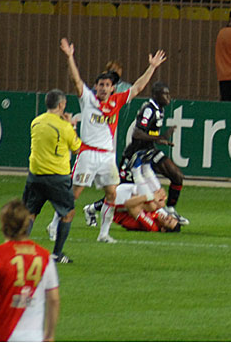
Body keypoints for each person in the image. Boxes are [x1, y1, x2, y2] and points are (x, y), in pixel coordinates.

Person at [58, 37, 167, 244]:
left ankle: (104, 233)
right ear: (95, 87)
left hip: (107, 156)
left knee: (112, 194)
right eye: (100, 85)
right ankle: (55, 225)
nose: (103, 88)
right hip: (88, 153)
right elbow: (76, 80)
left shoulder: (117, 101)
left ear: (112, 88)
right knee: (74, 194)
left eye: (107, 85)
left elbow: (137, 88)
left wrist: (151, 67)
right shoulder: (87, 98)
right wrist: (70, 57)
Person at [83, 82, 189, 227]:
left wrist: (159, 140)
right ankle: (92, 208)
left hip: (149, 151)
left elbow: (149, 132)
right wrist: (159, 138)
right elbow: (137, 133)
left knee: (177, 176)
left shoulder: (160, 109)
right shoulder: (149, 110)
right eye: (165, 94)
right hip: (135, 154)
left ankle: (170, 209)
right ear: (155, 95)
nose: (168, 97)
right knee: (122, 191)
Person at [22, 89, 81, 264]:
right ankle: (57, 254)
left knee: (30, 213)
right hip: (57, 177)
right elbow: (77, 148)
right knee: (68, 213)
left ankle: (19, 250)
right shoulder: (64, 127)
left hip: (35, 175)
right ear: (61, 105)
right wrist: (71, 125)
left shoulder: (36, 122)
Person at [0, 200, 60, 342]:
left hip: (1, 334)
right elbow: (54, 299)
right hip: (34, 337)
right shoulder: (44, 256)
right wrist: (49, 335)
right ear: (27, 224)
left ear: (3, 225)